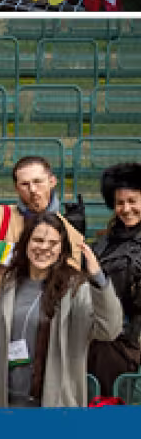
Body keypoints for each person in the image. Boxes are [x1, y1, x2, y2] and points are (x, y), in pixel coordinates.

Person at [0, 215, 122, 408]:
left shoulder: (75, 288)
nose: (44, 247)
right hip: (9, 401)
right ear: (26, 242)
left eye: (53, 243)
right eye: (38, 240)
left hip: (56, 403)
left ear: (62, 249)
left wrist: (98, 279)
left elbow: (110, 330)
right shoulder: (10, 283)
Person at [0, 156, 85, 271]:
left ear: (52, 181)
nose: (32, 189)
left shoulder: (68, 227)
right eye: (25, 184)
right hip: (3, 291)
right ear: (16, 188)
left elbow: (71, 275)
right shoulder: (0, 216)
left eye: (38, 181)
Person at [90, 164, 141, 393]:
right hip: (97, 332)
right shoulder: (104, 242)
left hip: (127, 342)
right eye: (120, 203)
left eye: (133, 201)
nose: (126, 208)